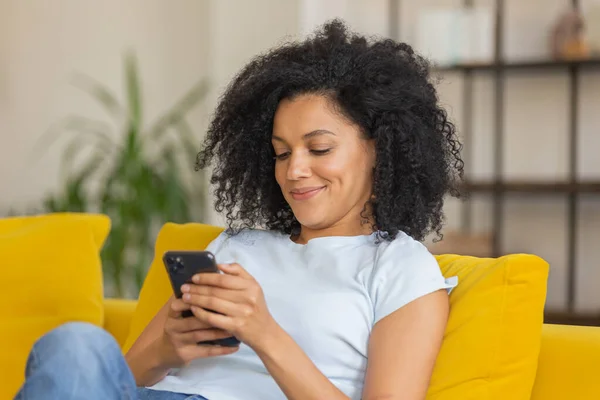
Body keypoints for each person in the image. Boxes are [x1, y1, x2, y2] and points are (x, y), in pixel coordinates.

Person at [15, 19, 462, 400]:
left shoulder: (400, 266)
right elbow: (109, 383)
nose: (295, 171)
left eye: (319, 148)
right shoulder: (236, 247)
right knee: (75, 345)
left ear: (381, 151)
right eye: (282, 153)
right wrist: (165, 351)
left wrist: (265, 334)